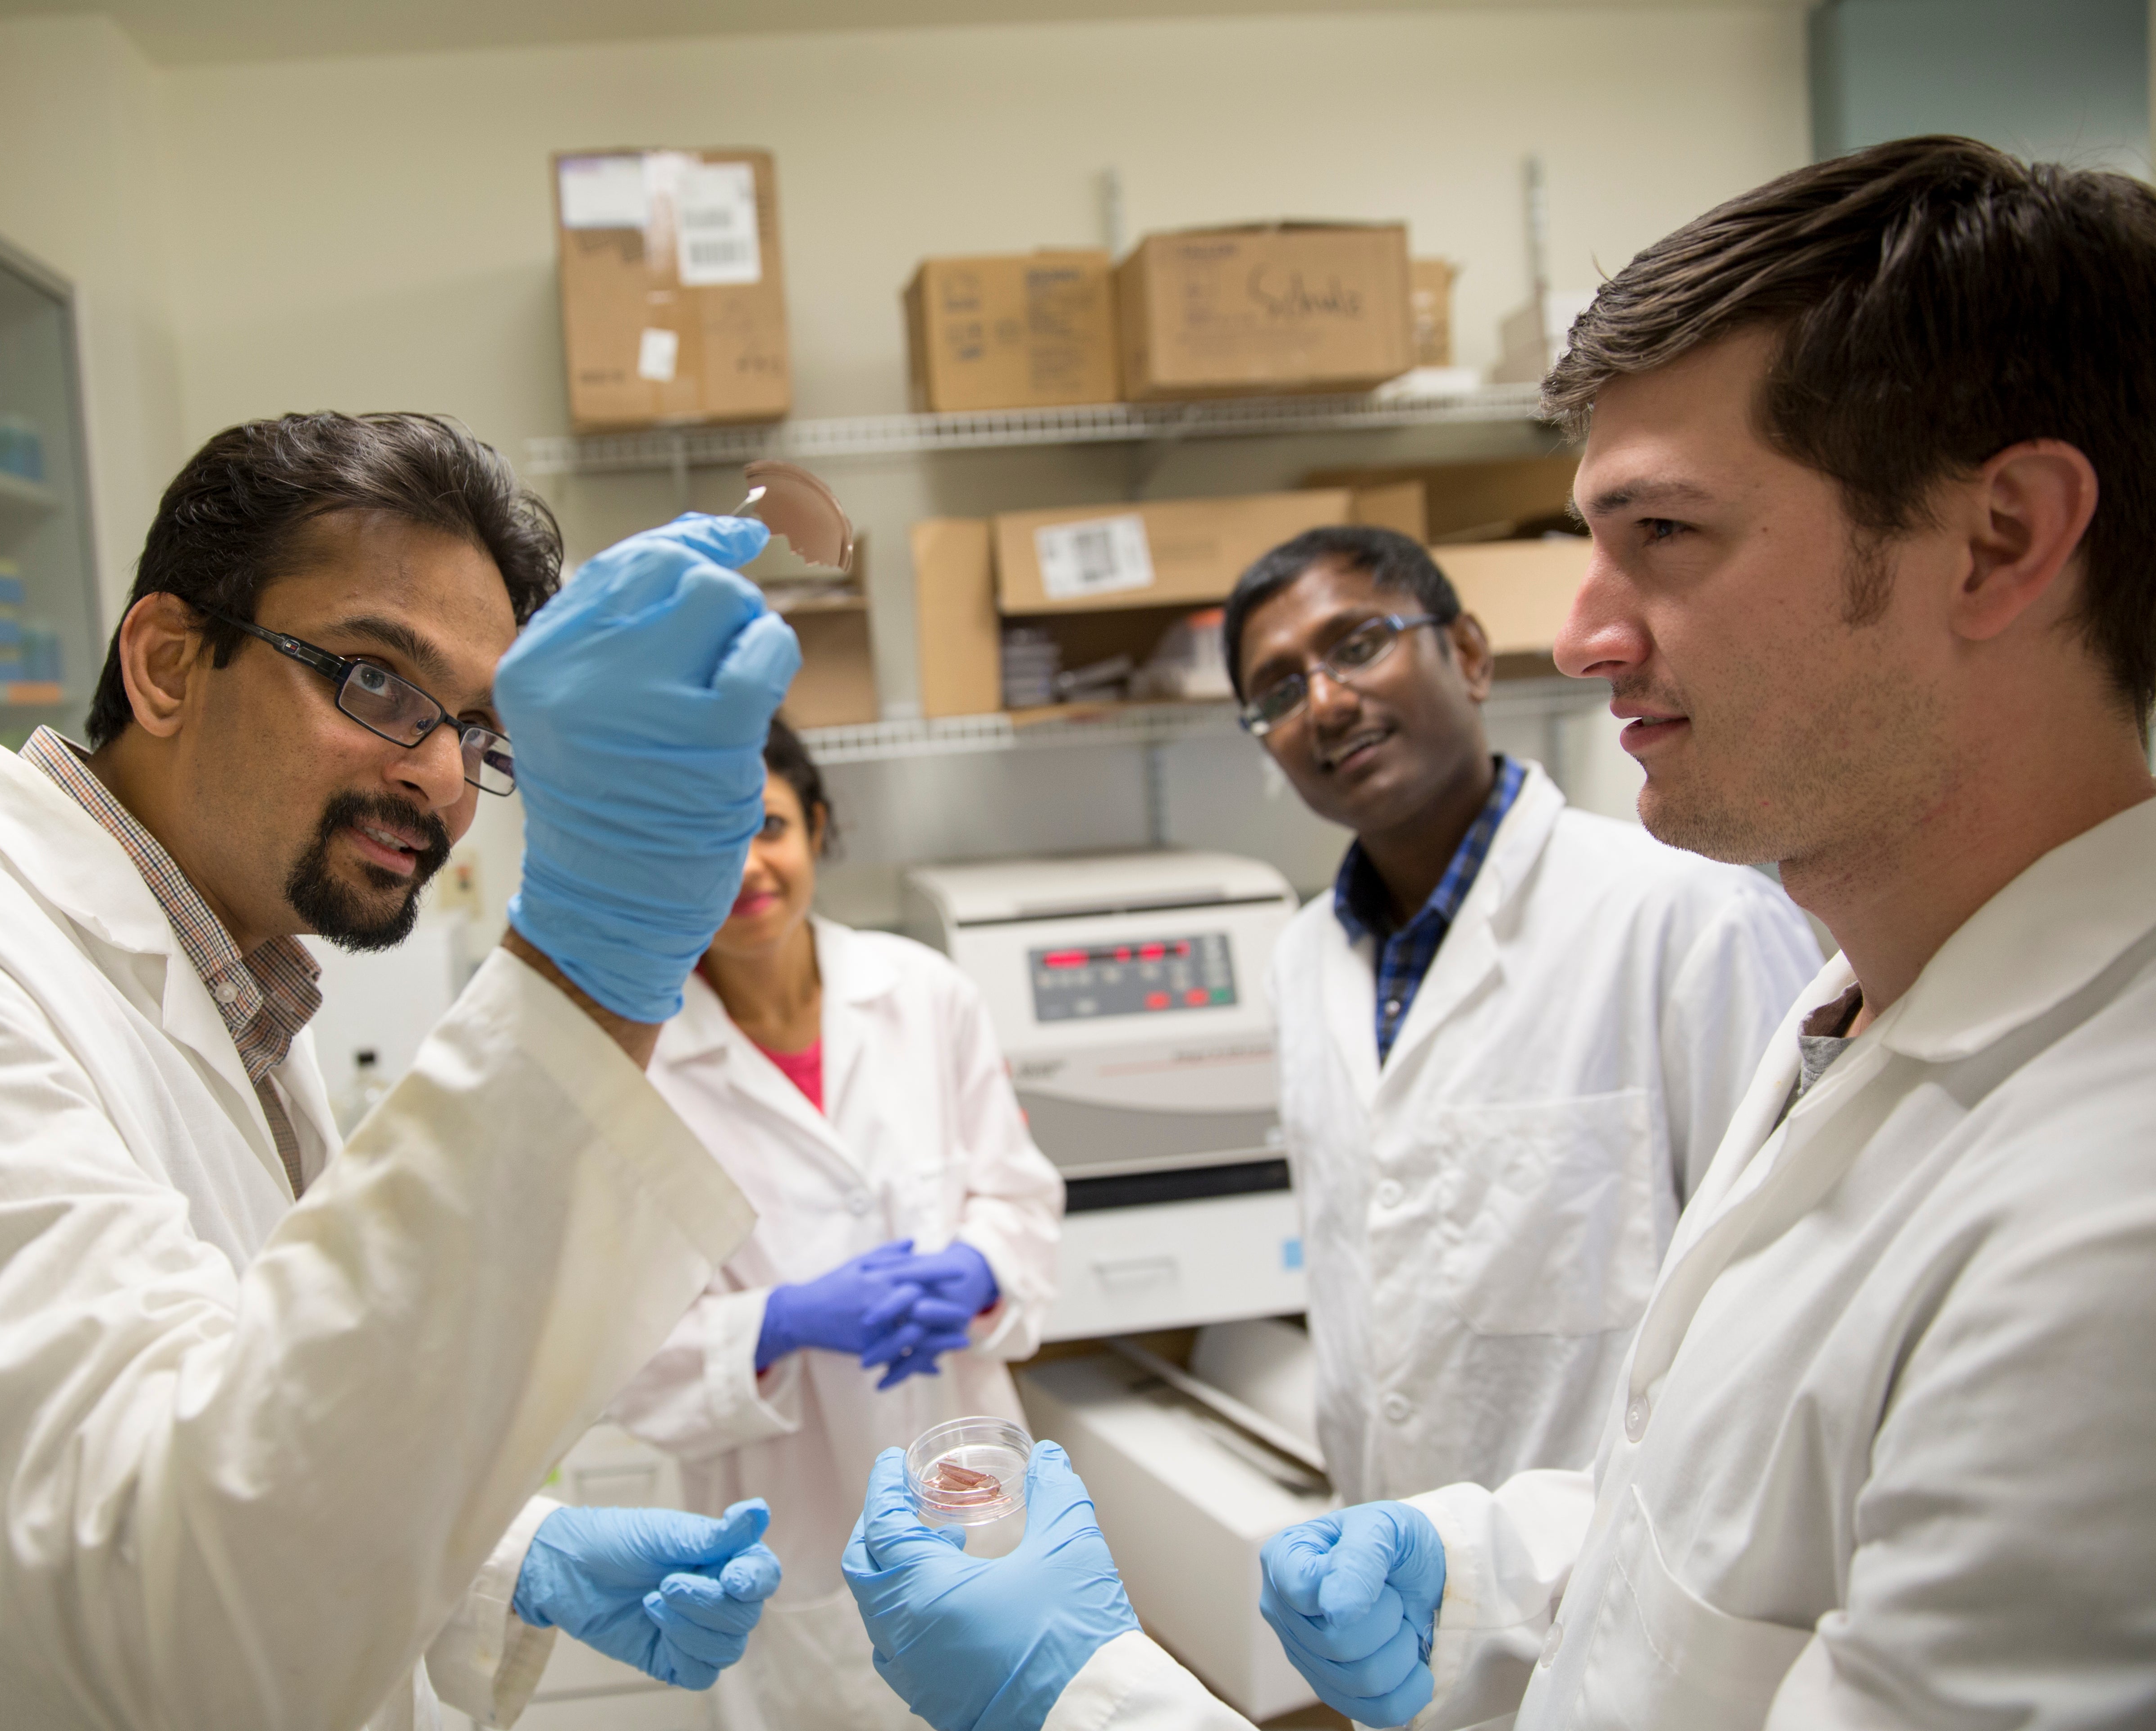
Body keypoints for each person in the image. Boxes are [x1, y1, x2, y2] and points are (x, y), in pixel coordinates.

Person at [838, 136, 2156, 1731]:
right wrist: (1484, 1560)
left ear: (2001, 538)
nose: (1586, 631)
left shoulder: (2106, 1241)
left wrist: (1096, 1697)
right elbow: (1716, 1500)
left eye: (1663, 532)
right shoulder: (1856, 1018)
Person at [0, 412, 803, 1730]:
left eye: (480, 733)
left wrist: (507, 1559)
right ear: (166, 663)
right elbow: (165, 1603)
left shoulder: (238, 983)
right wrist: (587, 971)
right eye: (378, 682)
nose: (443, 778)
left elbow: (232, 1405)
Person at [1219, 524, 1817, 1505]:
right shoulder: (1304, 961)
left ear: (1468, 654)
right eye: (1278, 693)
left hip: (1618, 1583)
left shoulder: (1689, 917)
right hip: (1391, 1574)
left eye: (1359, 645)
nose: (1323, 702)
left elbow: (1784, 1299)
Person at [613, 719, 1065, 1731]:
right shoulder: (640, 1068)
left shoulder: (926, 995)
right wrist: (777, 1325)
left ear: (816, 826)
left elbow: (1021, 1199)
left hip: (973, 1497)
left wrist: (982, 1269)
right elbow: (620, 1352)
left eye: (766, 824)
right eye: (701, 836)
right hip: (792, 1528)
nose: (744, 866)